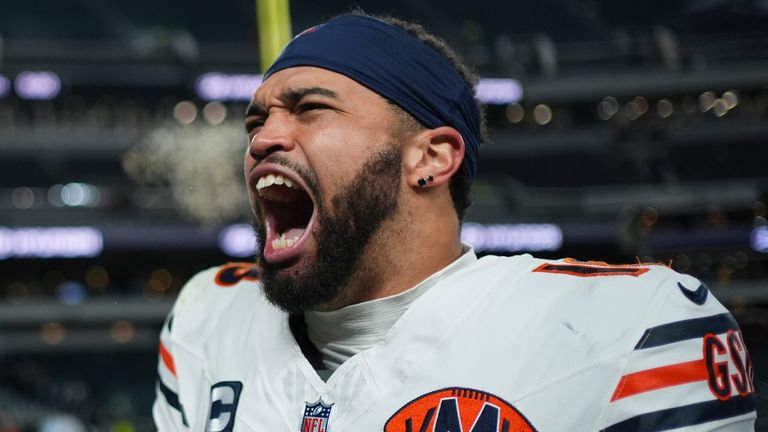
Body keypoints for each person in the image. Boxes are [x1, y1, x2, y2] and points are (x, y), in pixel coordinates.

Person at [153, 12, 757, 431]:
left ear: (431, 157)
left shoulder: (635, 329)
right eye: (256, 122)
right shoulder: (208, 318)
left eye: (310, 108)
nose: (263, 138)